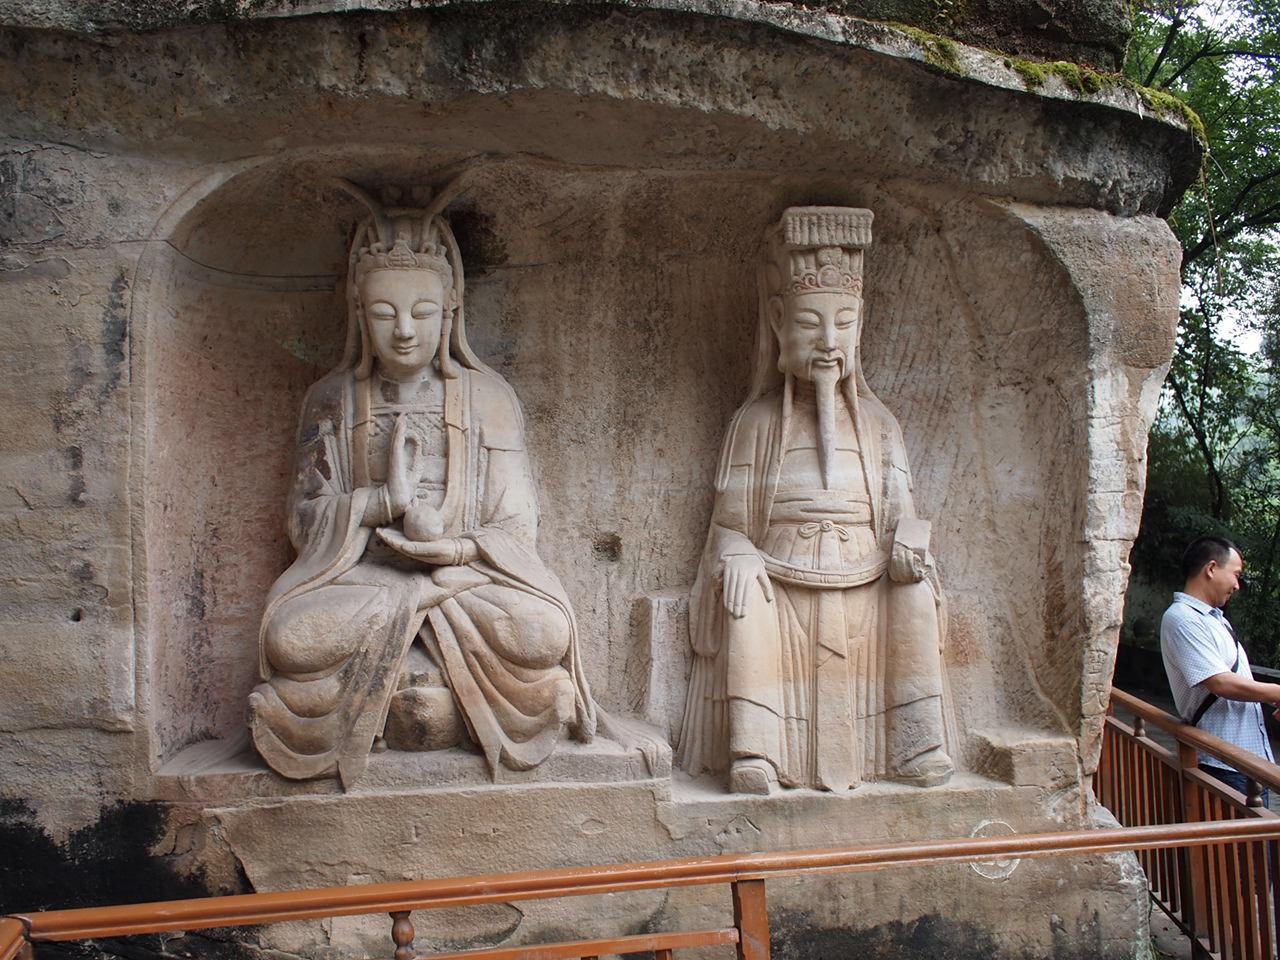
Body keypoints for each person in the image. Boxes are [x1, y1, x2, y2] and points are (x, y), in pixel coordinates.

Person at [249, 181, 596, 788]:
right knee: (288, 639)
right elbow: (303, 520)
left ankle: (411, 662)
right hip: (364, 579)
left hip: (465, 580)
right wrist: (381, 502)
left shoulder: (488, 398)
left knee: (544, 630)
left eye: (423, 312)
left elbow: (517, 525)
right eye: (385, 314)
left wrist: (454, 551)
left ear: (450, 312)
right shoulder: (332, 399)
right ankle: (428, 658)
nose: (405, 330)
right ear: (360, 315)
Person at [676, 207, 953, 794]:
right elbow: (727, 526)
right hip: (781, 576)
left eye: (843, 324)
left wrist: (910, 543)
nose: (829, 342)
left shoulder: (880, 426)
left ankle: (916, 745)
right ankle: (756, 751)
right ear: (779, 323)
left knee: (915, 593)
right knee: (745, 597)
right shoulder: (754, 424)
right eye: (810, 324)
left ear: (859, 328)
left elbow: (904, 516)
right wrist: (738, 555)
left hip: (866, 576)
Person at [1161, 535, 1278, 799]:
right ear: (1211, 569)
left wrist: (1271, 698)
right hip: (1223, 764)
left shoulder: (1215, 620)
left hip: (1244, 759)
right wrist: (1276, 692)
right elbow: (1220, 682)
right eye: (1236, 575)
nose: (1237, 585)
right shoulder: (1183, 619)